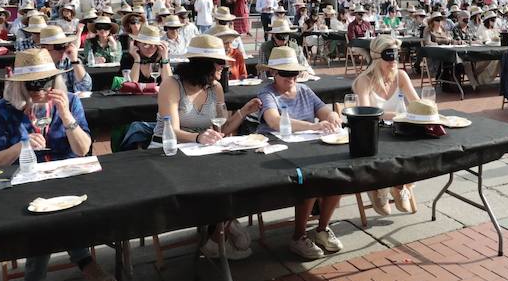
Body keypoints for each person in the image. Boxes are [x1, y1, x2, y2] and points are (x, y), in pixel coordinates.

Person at [0, 49, 112, 281]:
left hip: (65, 176)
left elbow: (83, 149)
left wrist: (67, 116)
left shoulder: (70, 101)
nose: (40, 90)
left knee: (56, 210)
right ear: (20, 85)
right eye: (33, 84)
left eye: (46, 82)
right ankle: (83, 263)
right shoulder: (3, 111)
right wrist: (22, 145)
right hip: (24, 181)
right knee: (41, 215)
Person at [156, 35, 260, 258]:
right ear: (205, 64)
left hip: (203, 150)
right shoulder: (172, 85)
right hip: (167, 151)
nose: (224, 67)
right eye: (220, 63)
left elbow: (221, 129)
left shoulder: (215, 89)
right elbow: (171, 130)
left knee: (245, 174)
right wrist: (197, 138)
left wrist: (244, 112)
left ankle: (217, 233)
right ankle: (222, 227)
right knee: (215, 180)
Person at [257, 46, 344, 259]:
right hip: (278, 151)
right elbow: (274, 121)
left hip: (305, 147)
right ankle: (298, 236)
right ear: (273, 73)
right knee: (309, 182)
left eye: (294, 73)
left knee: (338, 177)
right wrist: (314, 126)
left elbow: (323, 110)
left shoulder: (304, 90)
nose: (291, 78)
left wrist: (331, 116)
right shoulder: (267, 92)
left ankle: (322, 229)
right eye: (286, 73)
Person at [353, 36, 420, 216]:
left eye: (396, 56)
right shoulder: (364, 81)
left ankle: (400, 185)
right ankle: (379, 188)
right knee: (385, 151)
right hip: (375, 133)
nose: (394, 61)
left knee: (421, 149)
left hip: (401, 131)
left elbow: (417, 104)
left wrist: (426, 109)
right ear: (376, 57)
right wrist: (401, 114)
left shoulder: (401, 76)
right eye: (389, 56)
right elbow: (367, 113)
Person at [37, 26, 90, 93]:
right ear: (44, 48)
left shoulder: (69, 62)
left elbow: (85, 87)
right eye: (58, 47)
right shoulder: (36, 65)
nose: (63, 50)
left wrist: (74, 61)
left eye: (64, 46)